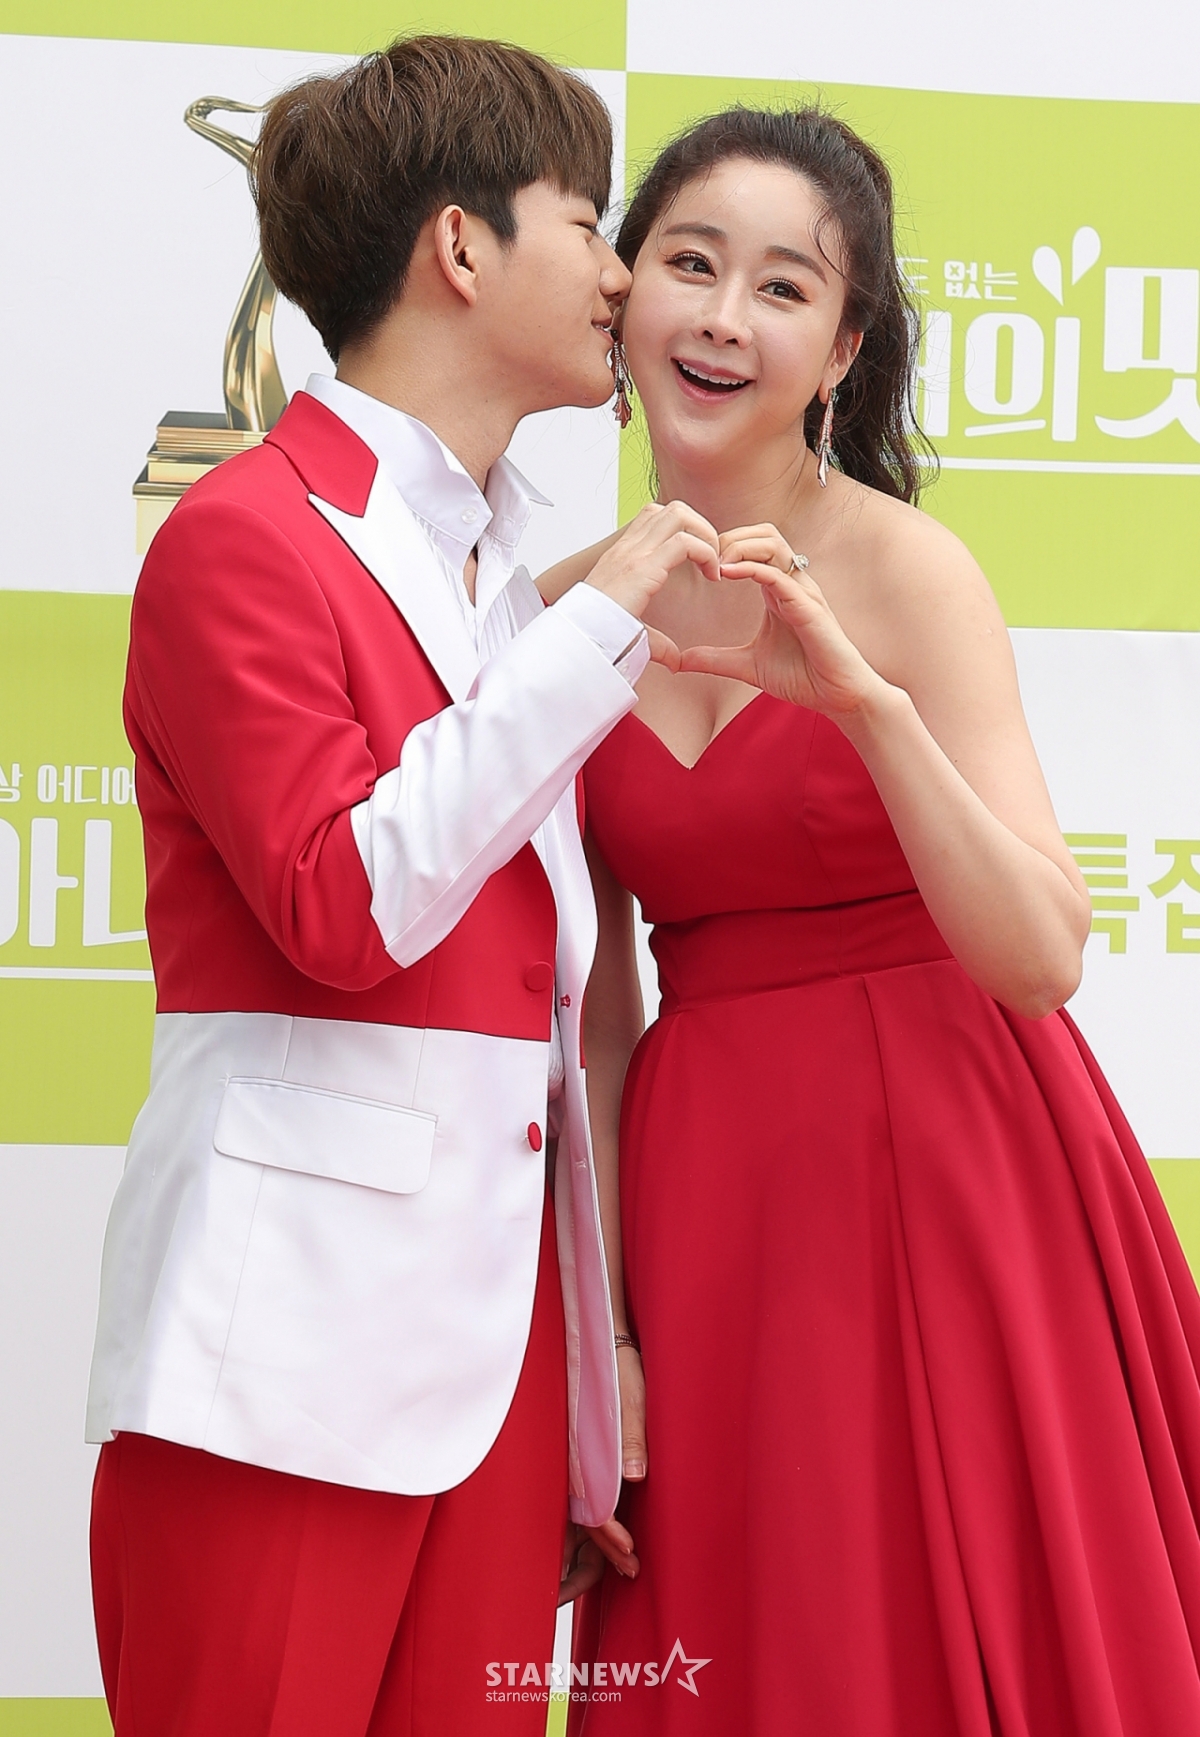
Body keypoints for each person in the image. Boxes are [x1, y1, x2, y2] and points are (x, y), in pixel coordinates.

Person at [84, 36, 721, 1737]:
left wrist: (589, 1381)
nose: (620, 274)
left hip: (494, 1388)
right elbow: (343, 902)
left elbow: (549, 1034)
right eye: (585, 219)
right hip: (281, 1372)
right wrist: (594, 628)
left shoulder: (498, 567)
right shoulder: (245, 533)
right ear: (461, 245)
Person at [544, 107, 1200, 1734]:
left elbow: (1042, 952)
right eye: (690, 264)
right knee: (761, 1625)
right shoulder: (559, 611)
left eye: (783, 288)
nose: (723, 318)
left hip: (958, 1163)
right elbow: (597, 1014)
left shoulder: (911, 571)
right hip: (710, 1188)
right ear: (623, 294)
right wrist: (604, 1331)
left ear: (842, 350)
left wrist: (863, 704)